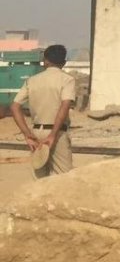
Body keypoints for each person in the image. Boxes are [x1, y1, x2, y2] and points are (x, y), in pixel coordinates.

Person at [10, 44, 76, 179]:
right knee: (63, 177)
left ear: (45, 61)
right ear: (64, 63)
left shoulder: (32, 80)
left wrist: (27, 134)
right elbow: (65, 106)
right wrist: (52, 135)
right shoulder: (67, 80)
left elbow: (14, 106)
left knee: (39, 178)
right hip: (57, 133)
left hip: (36, 133)